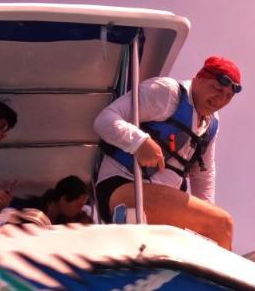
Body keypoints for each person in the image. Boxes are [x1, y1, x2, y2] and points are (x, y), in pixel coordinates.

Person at [92, 55, 240, 248]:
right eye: (217, 88)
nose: (220, 99)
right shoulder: (167, 92)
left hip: (161, 201)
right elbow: (104, 120)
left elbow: (203, 176)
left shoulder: (211, 124)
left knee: (212, 227)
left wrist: (204, 214)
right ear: (199, 78)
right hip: (123, 187)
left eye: (228, 96)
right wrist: (139, 143)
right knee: (222, 224)